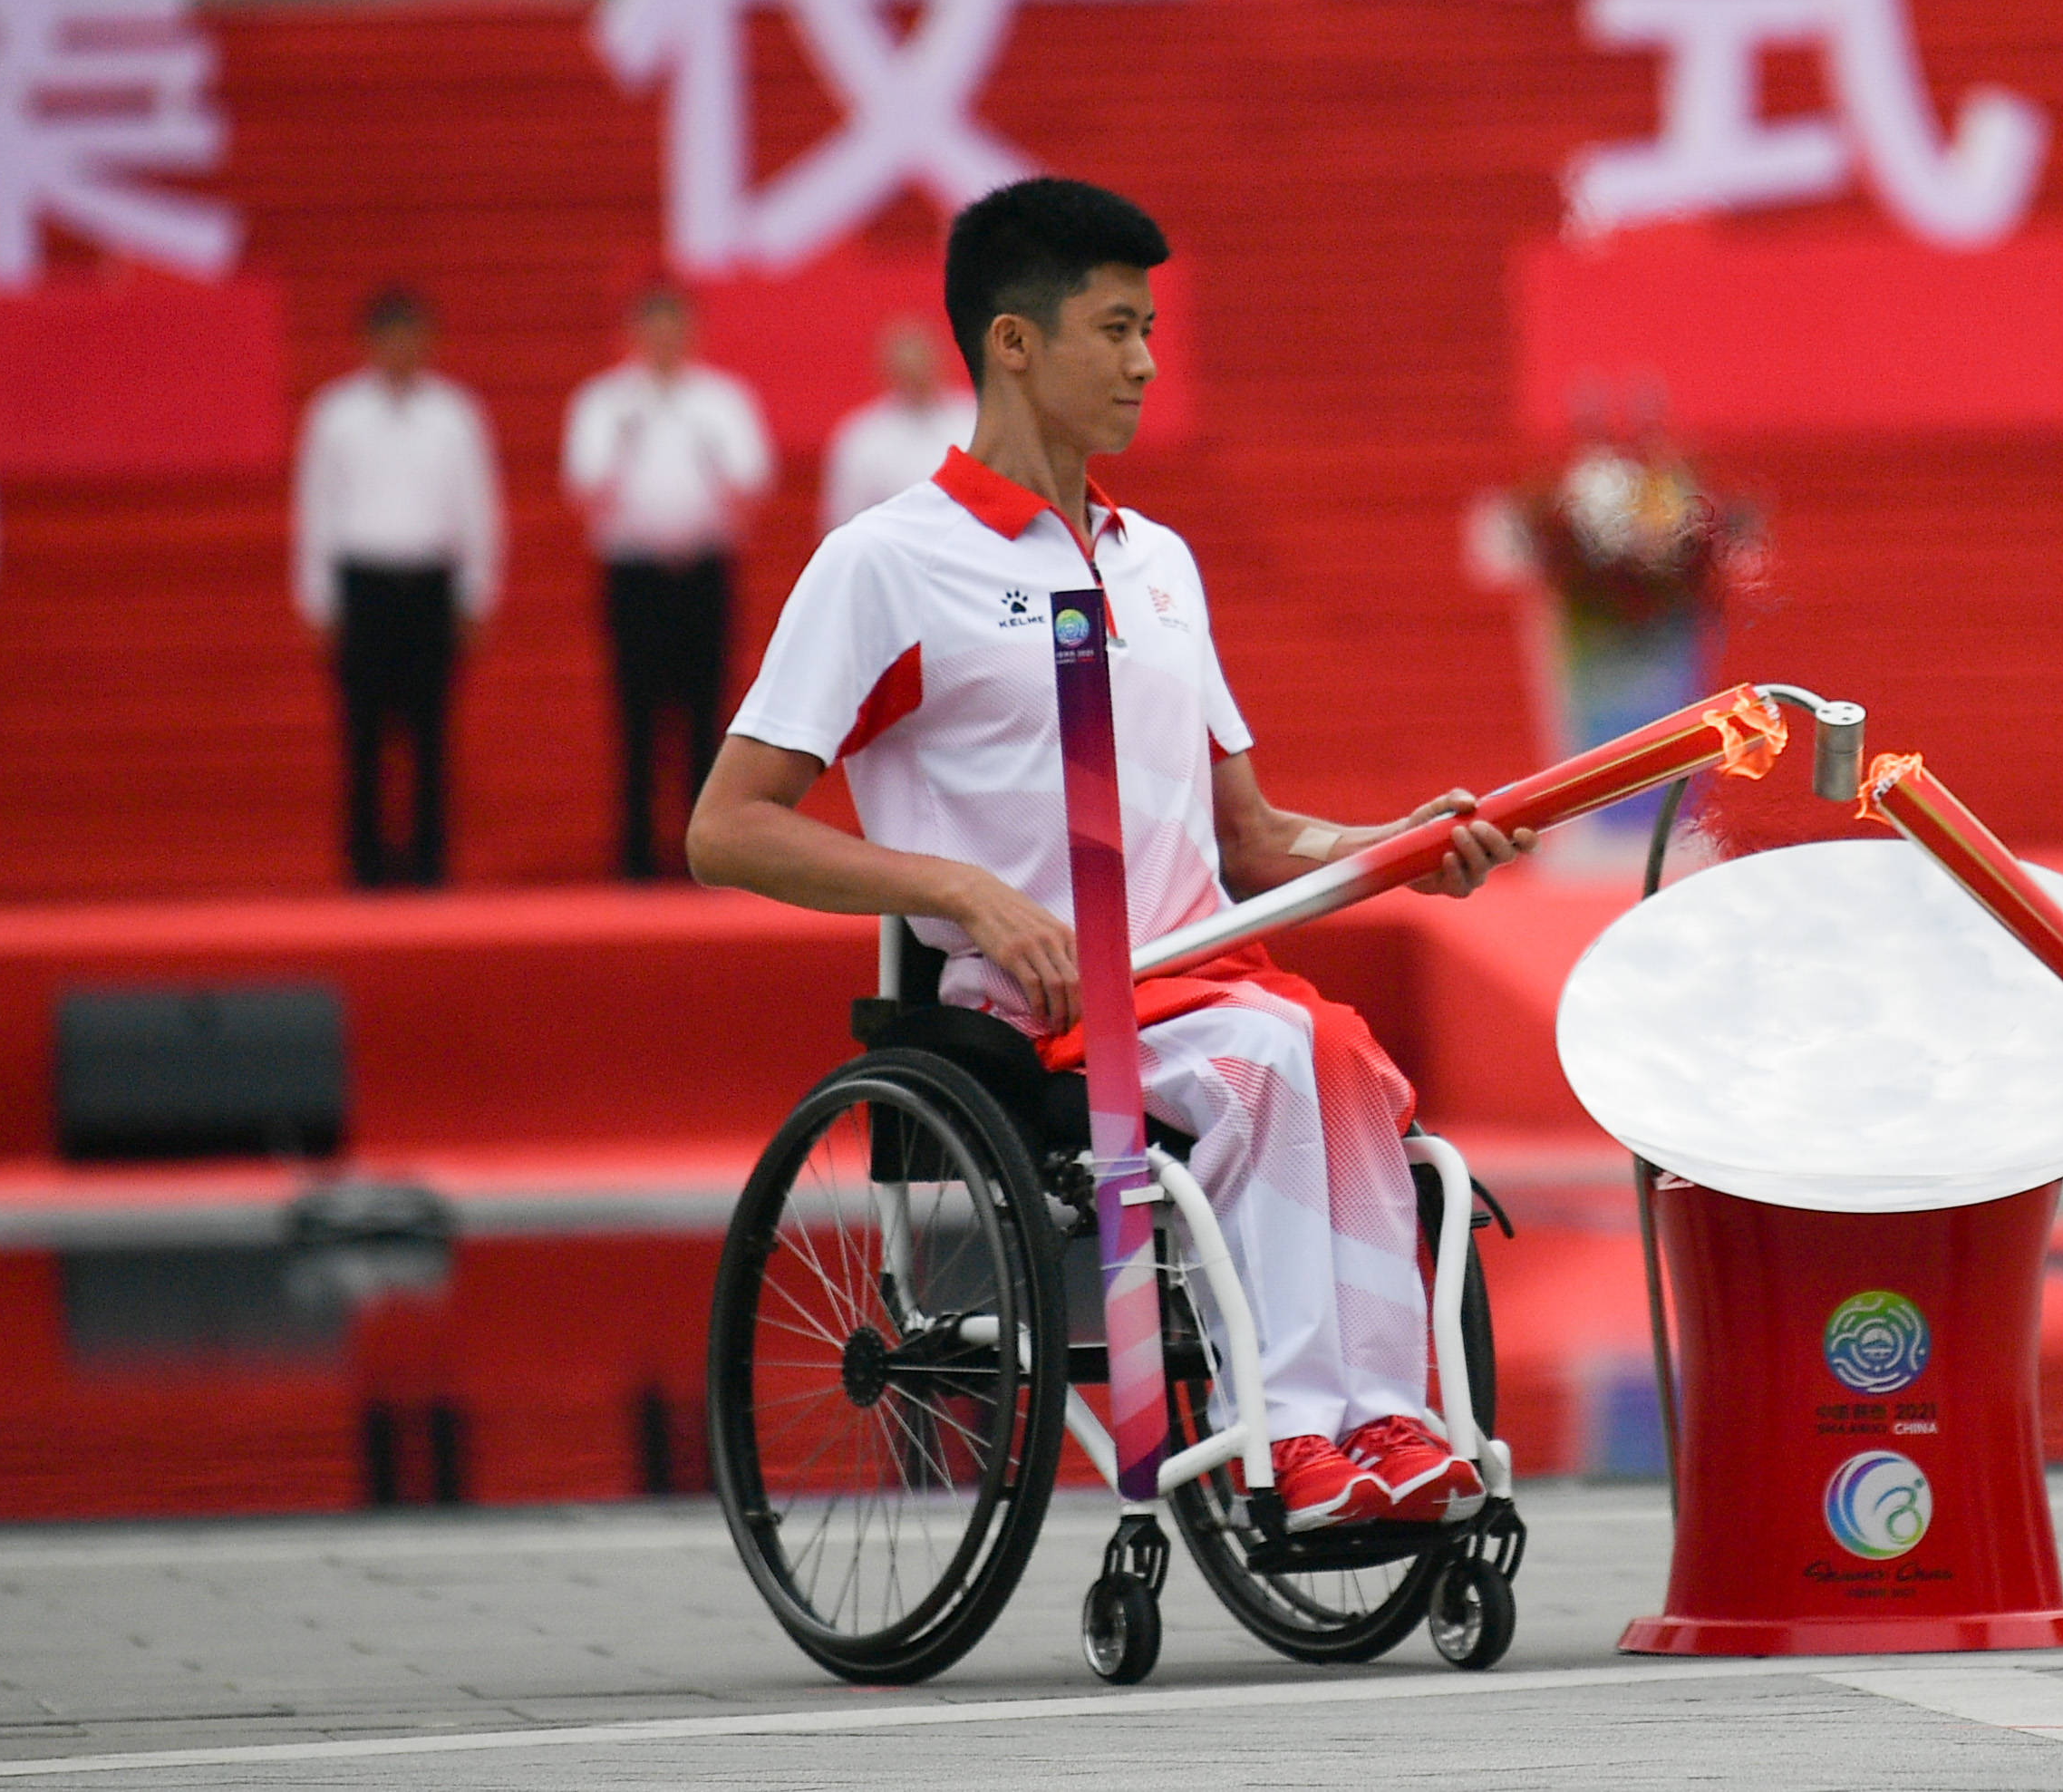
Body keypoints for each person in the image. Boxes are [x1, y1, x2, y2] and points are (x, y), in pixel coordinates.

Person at [689, 177, 1527, 1530]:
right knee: (1283, 1065)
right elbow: (726, 827)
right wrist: (960, 892)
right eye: (1117, 330)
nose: (1145, 363)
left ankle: (1388, 1426)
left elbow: (1252, 838)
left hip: (1210, 984)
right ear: (1014, 343)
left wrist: (1406, 845)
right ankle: (1311, 1439)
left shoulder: (1160, 565)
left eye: (1149, 330)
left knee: (1350, 1064)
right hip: (1047, 1014)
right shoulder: (887, 565)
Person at [294, 287, 504, 889]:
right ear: (369, 344)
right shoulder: (335, 414)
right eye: (389, 338)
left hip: (430, 586)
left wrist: (477, 591)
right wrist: (316, 597)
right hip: (363, 585)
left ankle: (430, 867)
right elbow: (317, 509)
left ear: (429, 342)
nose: (401, 350)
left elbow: (478, 509)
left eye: (412, 337)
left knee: (431, 733)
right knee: (362, 733)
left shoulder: (454, 414)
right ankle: (365, 869)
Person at [563, 284, 774, 880]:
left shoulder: (722, 401)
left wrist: (714, 464)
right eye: (651, 330)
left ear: (691, 333)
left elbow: (753, 480)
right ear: (633, 335)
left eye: (674, 328)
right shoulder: (603, 403)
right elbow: (582, 487)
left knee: (708, 713)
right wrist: (624, 445)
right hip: (634, 577)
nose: (663, 342)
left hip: (704, 574)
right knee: (635, 714)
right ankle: (637, 859)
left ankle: (704, 855)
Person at [821, 315, 983, 531]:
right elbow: (844, 517)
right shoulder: (862, 436)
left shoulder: (975, 420)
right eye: (906, 369)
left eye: (921, 364)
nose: (916, 377)